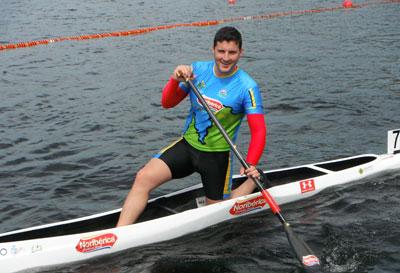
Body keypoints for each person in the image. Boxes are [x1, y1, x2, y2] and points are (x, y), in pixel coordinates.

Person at [117, 26, 266, 227]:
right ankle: (120, 234)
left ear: (241, 53)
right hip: (188, 146)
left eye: (232, 53)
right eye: (221, 51)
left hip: (217, 156)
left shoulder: (247, 87)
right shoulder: (197, 71)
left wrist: (251, 163)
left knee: (216, 213)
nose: (226, 58)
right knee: (143, 178)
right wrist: (174, 80)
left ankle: (252, 183)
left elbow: (258, 131)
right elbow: (167, 103)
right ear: (213, 49)